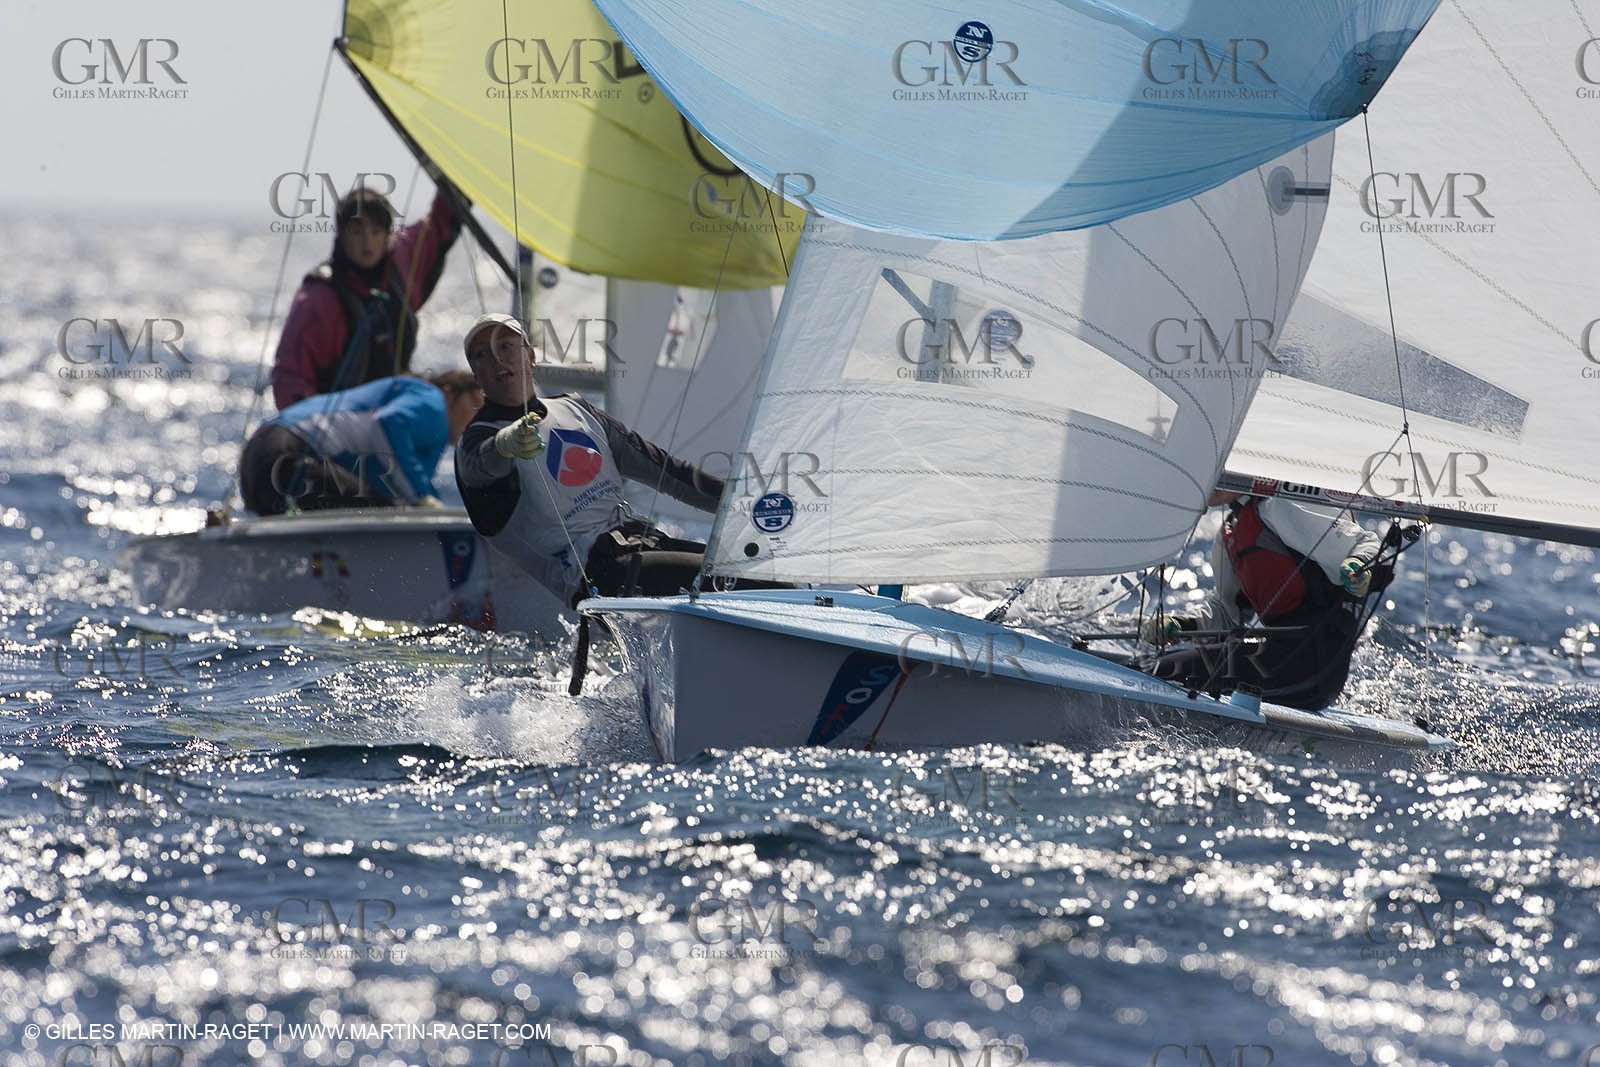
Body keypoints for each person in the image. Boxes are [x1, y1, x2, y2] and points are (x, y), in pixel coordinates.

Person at [453, 313, 738, 607]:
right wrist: (506, 443)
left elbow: (670, 473)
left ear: (531, 356)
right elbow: (482, 466)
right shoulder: (475, 443)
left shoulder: (577, 410)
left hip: (644, 543)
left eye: (506, 346)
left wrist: (745, 504)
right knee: (739, 582)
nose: (497, 359)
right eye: (482, 354)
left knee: (764, 574)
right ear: (476, 374)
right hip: (597, 574)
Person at [1141, 489, 1385, 710]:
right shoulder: (1231, 531)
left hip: (1310, 662)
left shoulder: (1280, 507)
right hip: (1280, 662)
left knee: (1160, 671)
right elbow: (1227, 614)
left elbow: (1367, 543)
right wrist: (1182, 626)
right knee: (1155, 665)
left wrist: (1360, 566)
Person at [270, 184, 462, 410]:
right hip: (338, 420)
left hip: (392, 414)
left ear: (387, 236)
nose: (367, 242)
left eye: (375, 231)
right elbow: (291, 376)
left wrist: (459, 178)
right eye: (357, 231)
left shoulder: (400, 263)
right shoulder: (319, 298)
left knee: (463, 393)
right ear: (341, 235)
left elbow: (438, 225)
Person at [239, 371, 482, 516]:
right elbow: (387, 423)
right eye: (475, 405)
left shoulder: (419, 427)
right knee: (385, 516)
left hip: (260, 461)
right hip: (285, 455)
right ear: (450, 391)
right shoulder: (432, 397)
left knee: (383, 508)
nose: (477, 419)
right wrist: (423, 498)